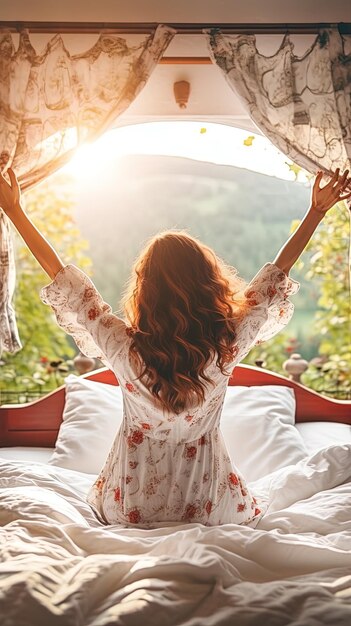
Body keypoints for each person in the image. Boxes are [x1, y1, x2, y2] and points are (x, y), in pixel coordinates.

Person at [0, 167, 350, 528]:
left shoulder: (121, 345)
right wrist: (316, 212)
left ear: (144, 287)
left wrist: (15, 212)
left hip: (130, 508)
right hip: (208, 507)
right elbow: (275, 277)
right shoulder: (227, 342)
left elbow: (66, 283)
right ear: (208, 282)